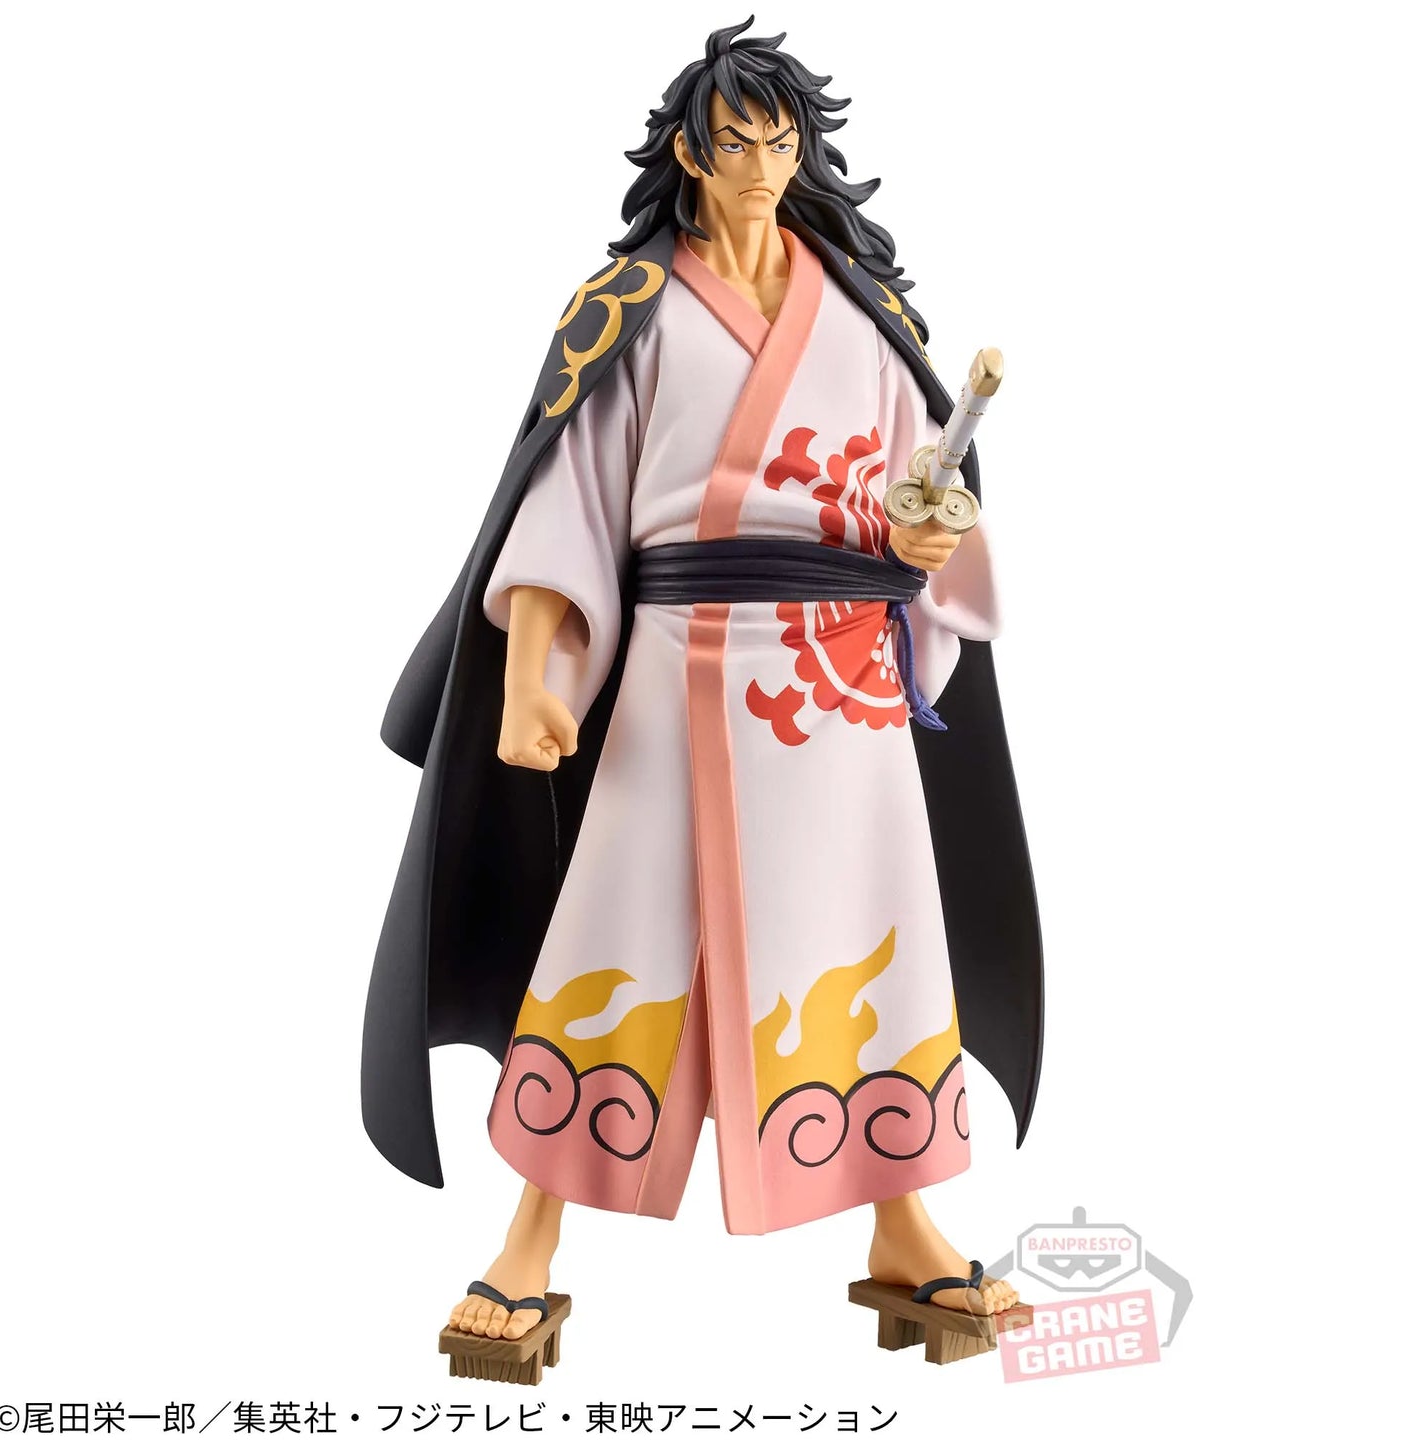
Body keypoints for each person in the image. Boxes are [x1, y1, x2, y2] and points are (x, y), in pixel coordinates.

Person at [361, 18, 1043, 1348]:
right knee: (617, 935)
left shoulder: (868, 315)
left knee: (867, 931)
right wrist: (534, 676)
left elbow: (929, 495)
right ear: (689, 150)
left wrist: (924, 539)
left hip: (840, 678)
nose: (759, 163)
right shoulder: (630, 308)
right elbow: (566, 500)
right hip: (680, 665)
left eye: (778, 139)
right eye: (734, 139)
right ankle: (529, 1238)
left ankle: (902, 1222)